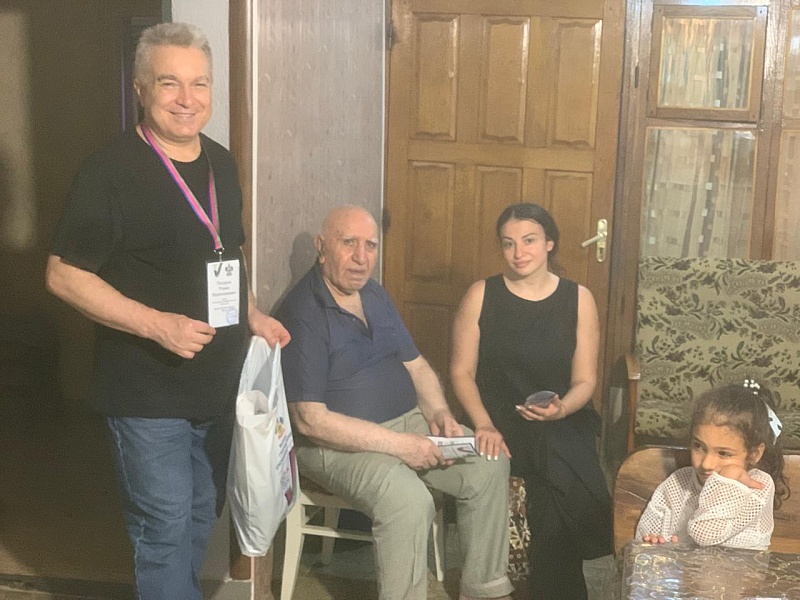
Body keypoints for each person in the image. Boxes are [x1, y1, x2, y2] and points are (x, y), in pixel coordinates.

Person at [45, 22, 290, 600]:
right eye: (169, 83)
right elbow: (63, 274)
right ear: (140, 88)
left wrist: (252, 313)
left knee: (202, 513)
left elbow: (227, 252)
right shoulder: (109, 172)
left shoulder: (221, 163)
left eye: (199, 83)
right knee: (164, 526)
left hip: (217, 386)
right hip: (146, 391)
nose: (187, 99)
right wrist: (157, 325)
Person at [275, 205, 514, 600]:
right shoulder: (304, 312)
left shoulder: (374, 293)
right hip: (335, 446)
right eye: (348, 243)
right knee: (408, 501)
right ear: (322, 247)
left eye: (370, 245)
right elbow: (310, 421)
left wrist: (440, 413)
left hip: (408, 424)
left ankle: (484, 590)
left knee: (489, 460)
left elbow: (416, 365)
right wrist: (401, 446)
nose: (361, 257)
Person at [450, 202, 613, 600]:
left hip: (562, 414)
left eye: (529, 241)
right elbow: (460, 372)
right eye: (508, 244)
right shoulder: (481, 294)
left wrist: (562, 408)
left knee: (556, 458)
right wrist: (483, 423)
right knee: (553, 467)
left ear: (549, 243)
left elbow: (585, 380)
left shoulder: (579, 298)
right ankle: (563, 589)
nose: (518, 252)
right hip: (498, 418)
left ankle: (549, 588)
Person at [636, 380, 789, 550]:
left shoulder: (759, 486)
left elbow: (705, 534)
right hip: (683, 567)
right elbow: (644, 538)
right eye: (699, 446)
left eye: (723, 453)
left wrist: (726, 480)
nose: (706, 464)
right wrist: (654, 543)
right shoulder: (679, 481)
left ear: (755, 453)